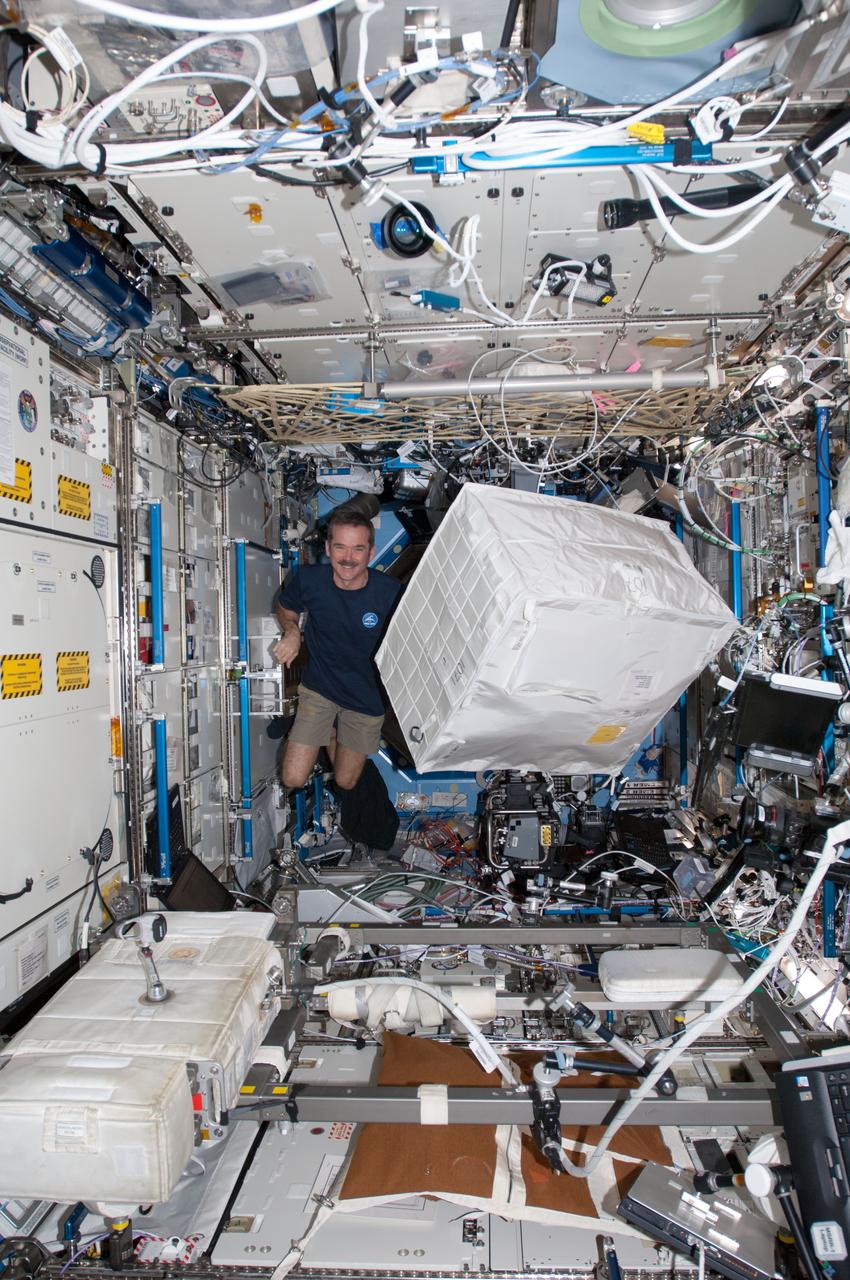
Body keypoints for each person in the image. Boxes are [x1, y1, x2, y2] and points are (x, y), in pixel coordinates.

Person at [272, 510, 403, 795]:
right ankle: (325, 728)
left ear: (371, 552)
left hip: (366, 696)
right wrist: (292, 631)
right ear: (328, 548)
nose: (348, 557)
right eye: (340, 547)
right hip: (321, 686)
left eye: (358, 549)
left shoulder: (391, 593)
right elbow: (285, 605)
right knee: (293, 778)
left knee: (346, 781)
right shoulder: (309, 580)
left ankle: (332, 732)